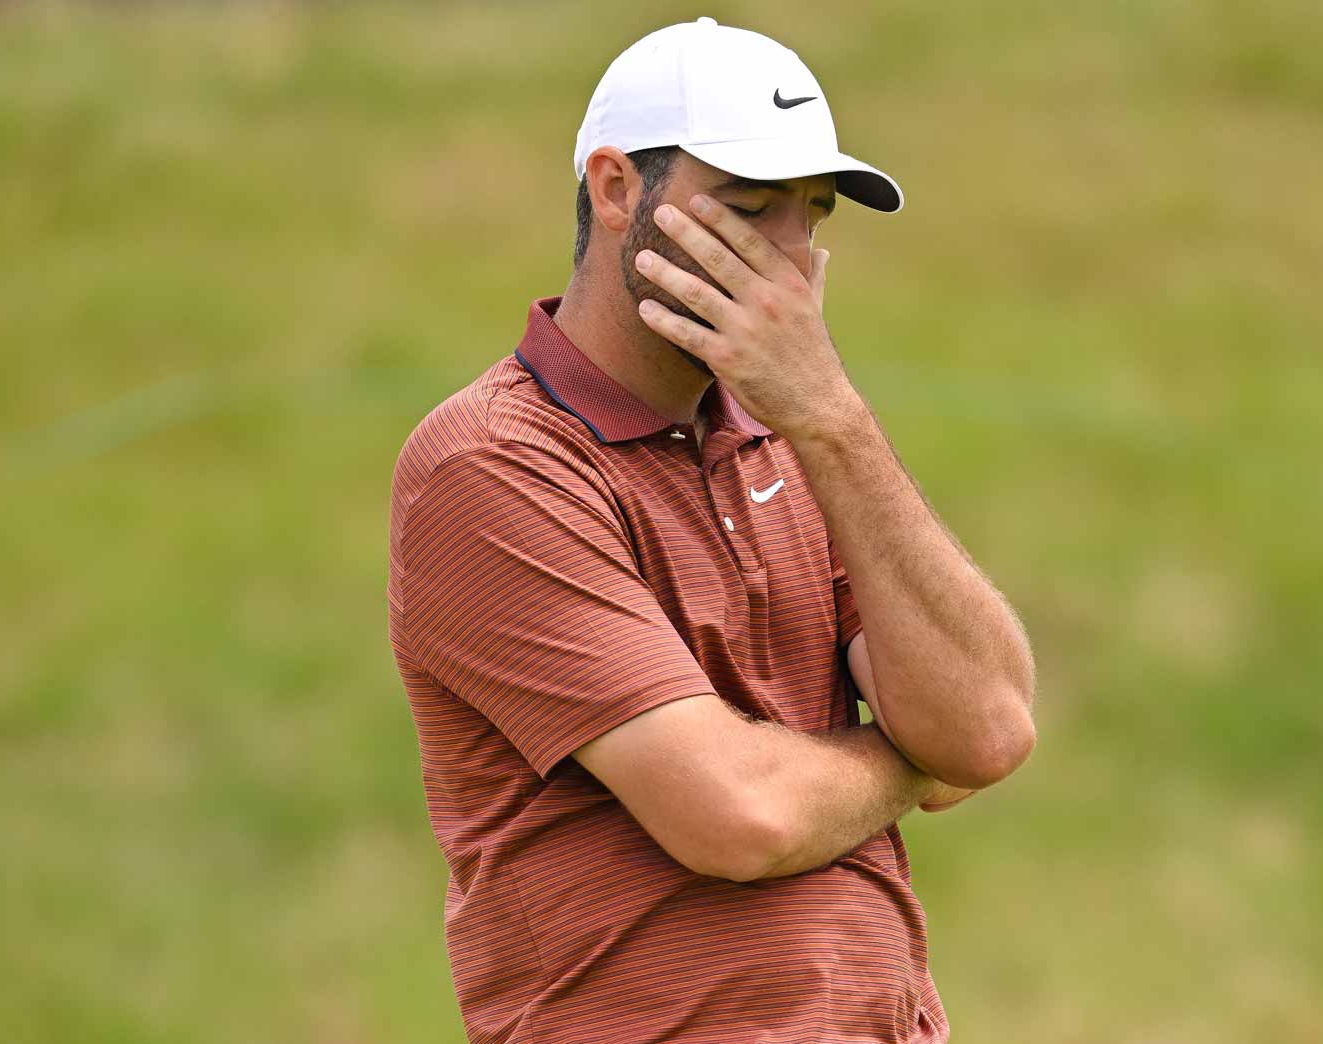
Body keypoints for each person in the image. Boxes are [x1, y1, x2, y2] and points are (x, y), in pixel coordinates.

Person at [388, 17, 1036, 1043]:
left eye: (809, 215)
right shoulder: (491, 464)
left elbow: (988, 727)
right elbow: (737, 816)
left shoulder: (803, 440)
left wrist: (830, 417)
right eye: (745, 208)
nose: (785, 260)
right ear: (613, 191)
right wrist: (907, 761)